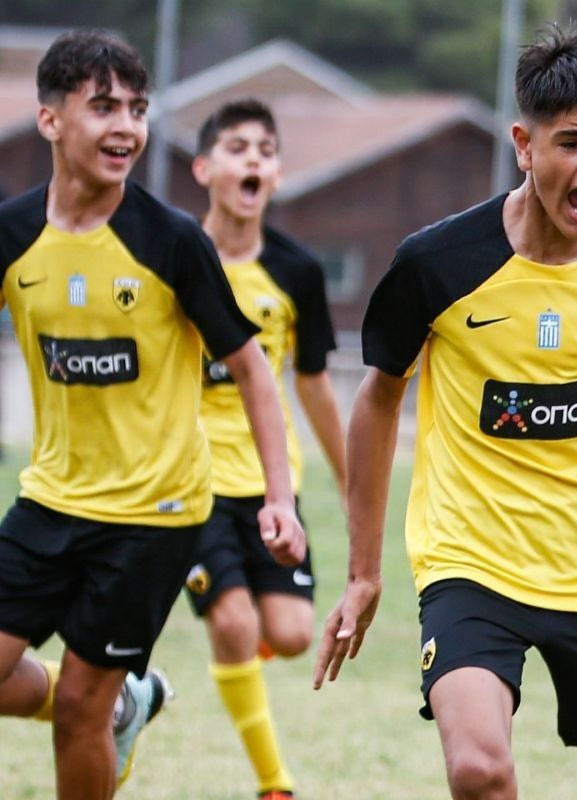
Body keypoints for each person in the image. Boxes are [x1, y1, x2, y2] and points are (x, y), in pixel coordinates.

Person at [313, 27, 577, 799]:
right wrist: (363, 571)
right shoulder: (436, 264)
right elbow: (379, 395)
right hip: (471, 566)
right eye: (575, 143)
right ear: (524, 144)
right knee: (478, 770)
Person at [0, 31, 304, 798]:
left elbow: (251, 367)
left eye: (137, 109)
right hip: (50, 499)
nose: (127, 127)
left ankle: (106, 704)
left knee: (79, 709)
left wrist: (278, 498)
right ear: (49, 119)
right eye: (103, 107)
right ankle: (127, 704)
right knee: (77, 700)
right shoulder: (13, 235)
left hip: (153, 515)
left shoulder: (171, 241)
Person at [186, 98, 345, 800]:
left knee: (292, 633)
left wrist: (351, 479)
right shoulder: (174, 255)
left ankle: (239, 648)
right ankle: (273, 783)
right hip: (189, 482)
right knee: (233, 621)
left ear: (277, 175)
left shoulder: (297, 270)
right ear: (203, 168)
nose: (253, 159)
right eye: (237, 147)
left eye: (266, 150)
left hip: (269, 481)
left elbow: (312, 383)